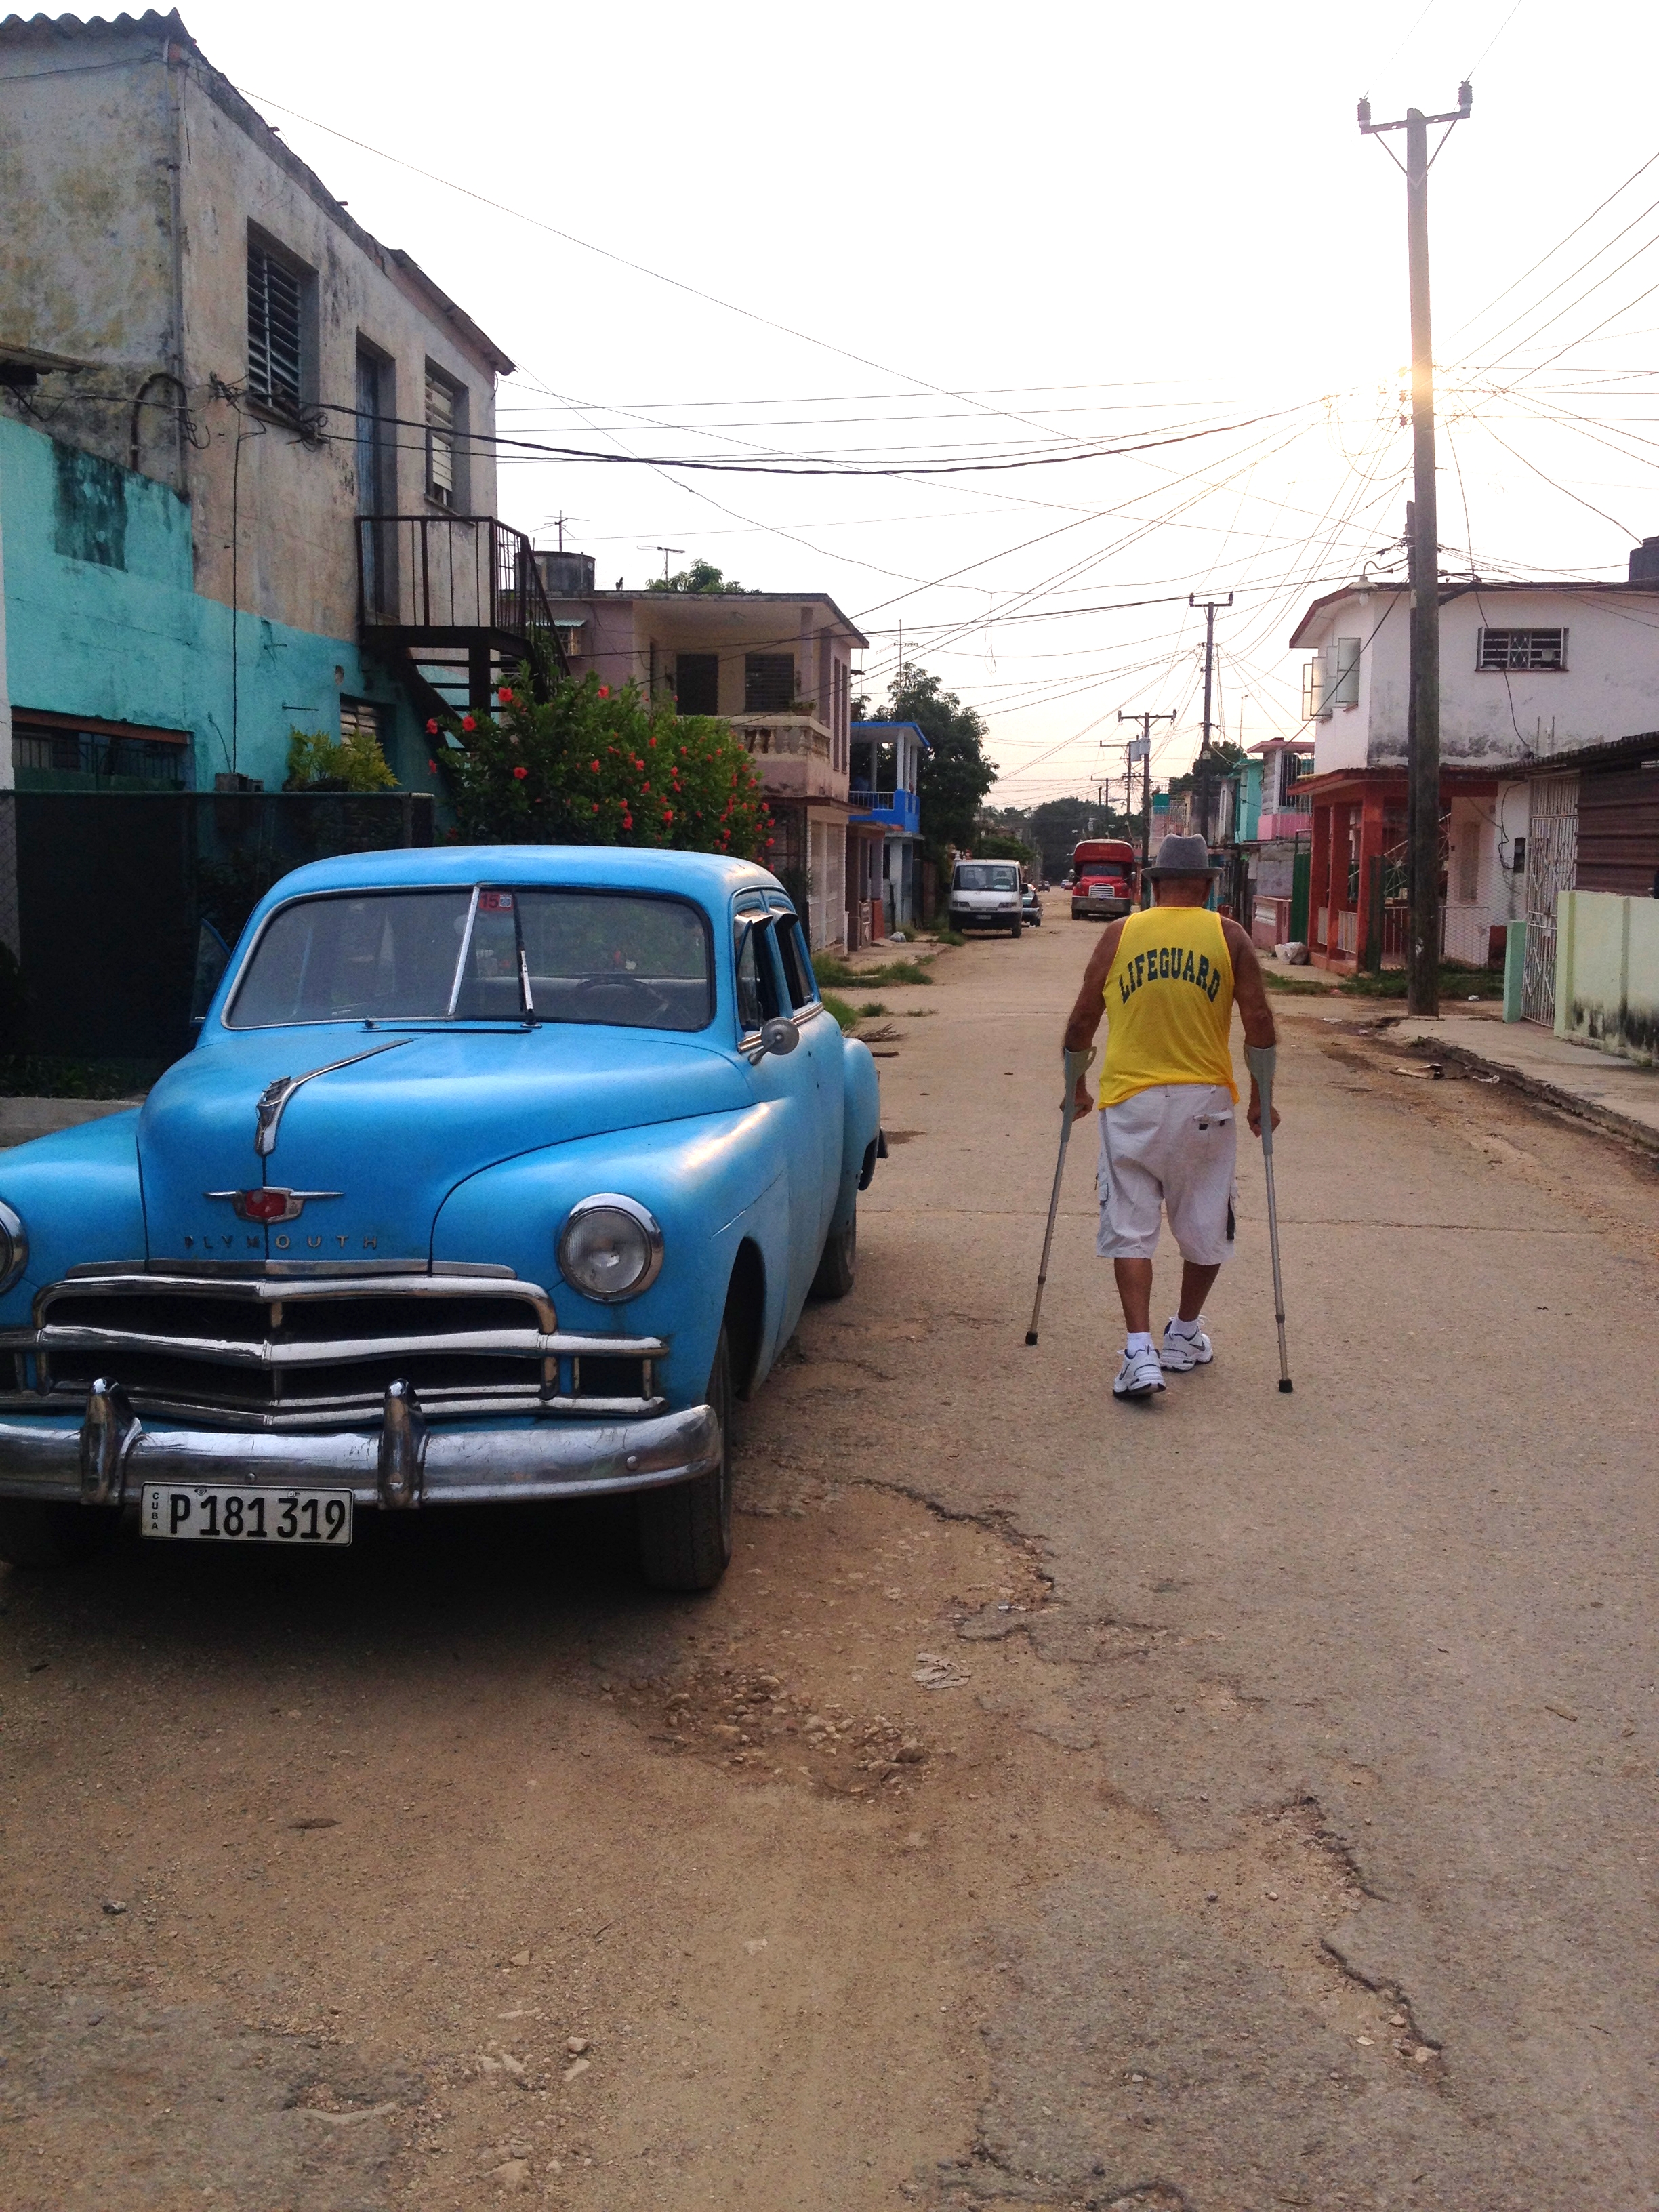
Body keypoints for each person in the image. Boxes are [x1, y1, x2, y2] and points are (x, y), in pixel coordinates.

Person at [1061, 832, 1279, 1400]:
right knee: (1206, 1222)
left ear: (1151, 885)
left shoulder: (1120, 934)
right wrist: (1261, 1097)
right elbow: (1259, 1024)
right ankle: (1182, 1336)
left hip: (1130, 1103)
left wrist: (1076, 1088)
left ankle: (1139, 1354)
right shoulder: (1229, 936)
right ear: (1208, 886)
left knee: (1130, 1226)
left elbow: (1084, 1018)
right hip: (1204, 1103)